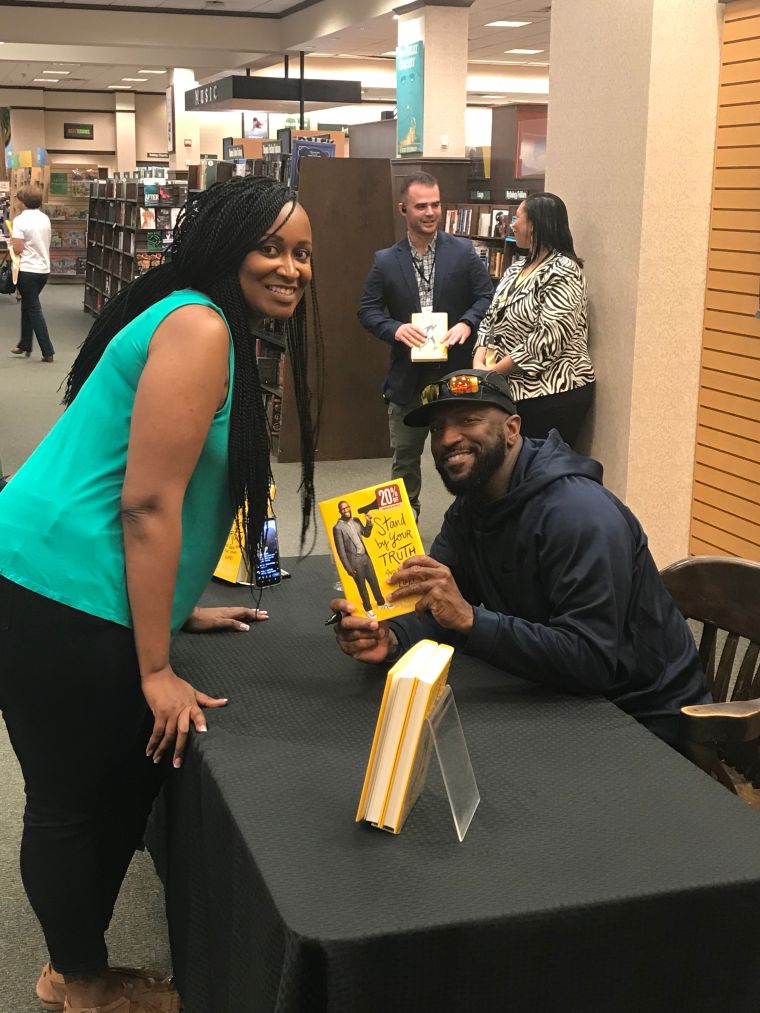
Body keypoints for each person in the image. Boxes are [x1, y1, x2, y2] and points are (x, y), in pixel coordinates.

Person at [0, 176, 320, 1013]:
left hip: (69, 575)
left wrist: (180, 607)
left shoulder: (203, 320)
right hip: (57, 583)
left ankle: (74, 968)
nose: (291, 268)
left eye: (303, 253)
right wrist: (153, 667)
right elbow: (146, 502)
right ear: (227, 246)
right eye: (271, 247)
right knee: (72, 800)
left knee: (108, 787)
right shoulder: (201, 326)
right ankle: (80, 982)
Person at [330, 369, 710, 751]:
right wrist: (391, 637)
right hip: (552, 691)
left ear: (511, 429)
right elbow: (437, 605)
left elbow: (591, 662)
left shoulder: (580, 515)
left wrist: (471, 619)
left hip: (644, 717)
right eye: (437, 428)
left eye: (468, 420)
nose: (447, 439)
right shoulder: (472, 506)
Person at [357, 171, 493, 518]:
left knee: (469, 455)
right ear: (403, 209)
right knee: (405, 459)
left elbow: (486, 297)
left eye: (435, 204)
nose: (431, 212)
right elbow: (367, 310)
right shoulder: (386, 260)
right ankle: (404, 525)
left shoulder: (463, 252)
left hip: (457, 375)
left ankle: (472, 523)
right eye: (421, 206)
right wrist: (395, 329)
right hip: (408, 381)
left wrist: (467, 323)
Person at [473, 192, 595, 447]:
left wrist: (492, 372)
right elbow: (490, 318)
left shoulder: (564, 271)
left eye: (517, 218)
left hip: (551, 393)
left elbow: (547, 340)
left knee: (540, 465)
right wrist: (479, 360)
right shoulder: (515, 269)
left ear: (535, 225)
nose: (512, 225)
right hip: (508, 389)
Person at [10, 183, 55, 362]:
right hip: (43, 269)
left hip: (27, 269)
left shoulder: (20, 220)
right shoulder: (45, 218)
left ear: (23, 202)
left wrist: (12, 242)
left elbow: (18, 249)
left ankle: (47, 350)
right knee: (28, 305)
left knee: (34, 309)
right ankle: (25, 344)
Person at [332, 500, 388, 618]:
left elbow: (366, 534)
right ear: (340, 511)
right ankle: (368, 609)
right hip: (354, 561)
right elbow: (341, 551)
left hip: (365, 557)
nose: (346, 510)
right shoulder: (338, 528)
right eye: (343, 509)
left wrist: (368, 522)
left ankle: (381, 603)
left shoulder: (356, 520)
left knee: (374, 581)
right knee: (362, 586)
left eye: (347, 507)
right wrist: (348, 569)